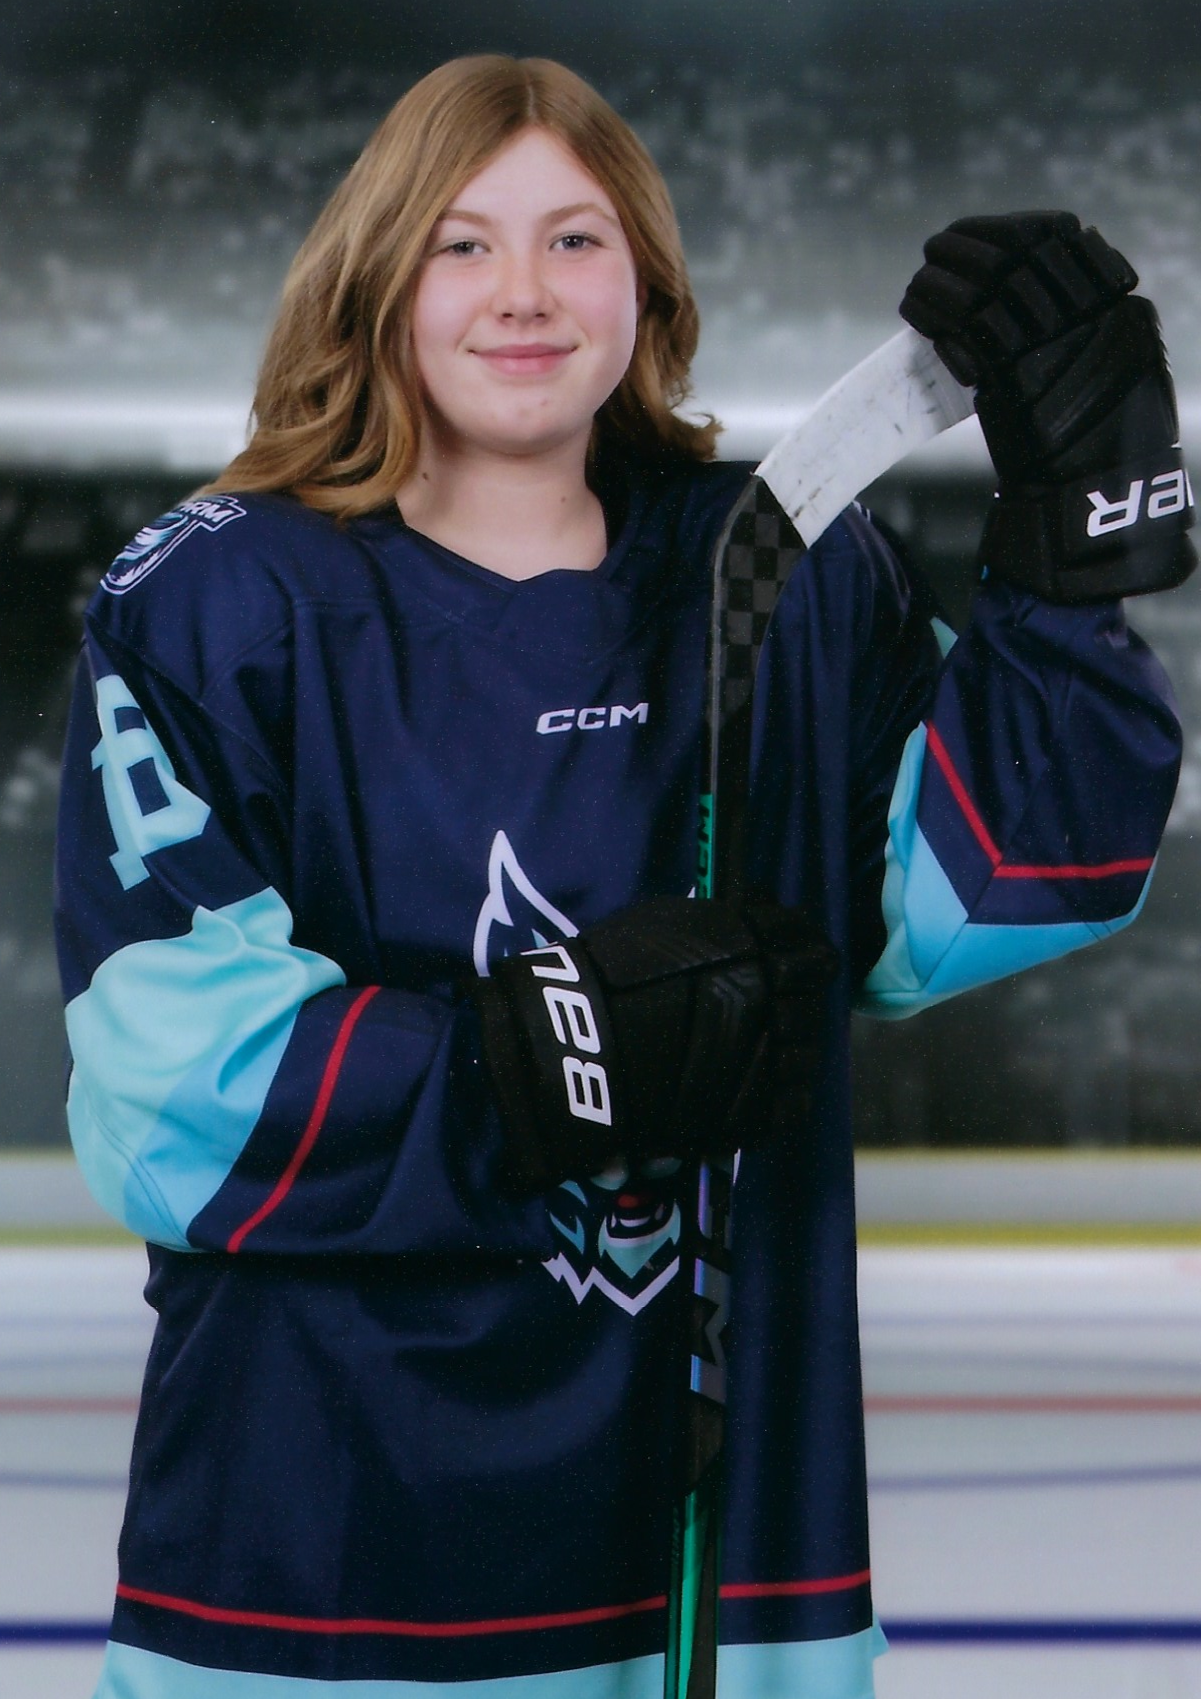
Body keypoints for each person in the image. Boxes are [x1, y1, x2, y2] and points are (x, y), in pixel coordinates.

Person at [54, 54, 1190, 1699]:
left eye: (576, 240)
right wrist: (543, 1065)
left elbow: (1009, 874)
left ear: (646, 284)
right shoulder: (218, 599)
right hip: (312, 1569)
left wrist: (1081, 546)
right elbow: (169, 1090)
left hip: (726, 1577)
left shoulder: (774, 573)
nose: (524, 292)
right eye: (461, 243)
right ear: (372, 277)